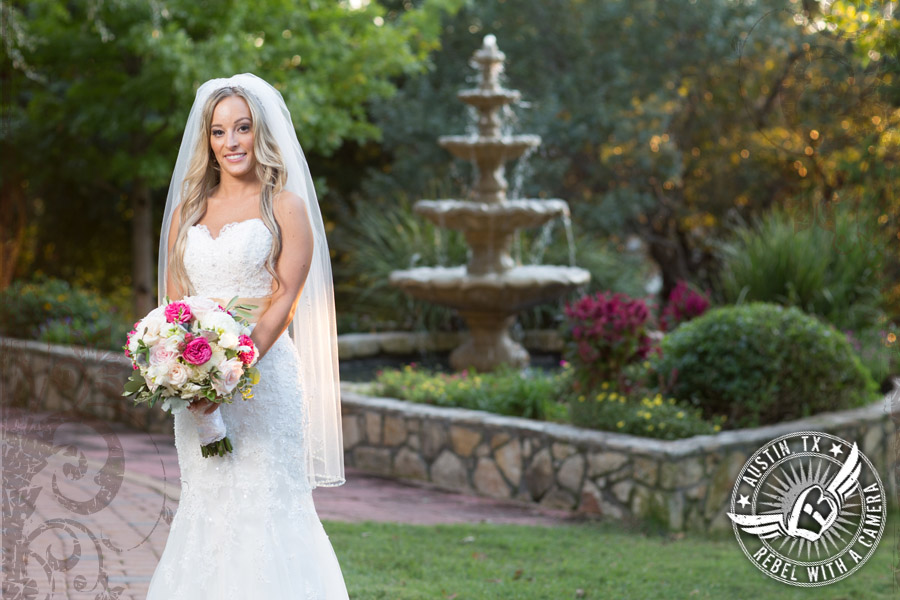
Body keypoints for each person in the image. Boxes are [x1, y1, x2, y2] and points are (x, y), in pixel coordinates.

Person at [146, 74, 349, 599]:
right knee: (208, 502)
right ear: (207, 141)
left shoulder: (284, 206)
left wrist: (231, 367)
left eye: (241, 128)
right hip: (198, 391)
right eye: (218, 132)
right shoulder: (188, 212)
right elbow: (173, 306)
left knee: (263, 503)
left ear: (259, 132)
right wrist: (187, 377)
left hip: (264, 383)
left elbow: (284, 298)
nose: (230, 142)